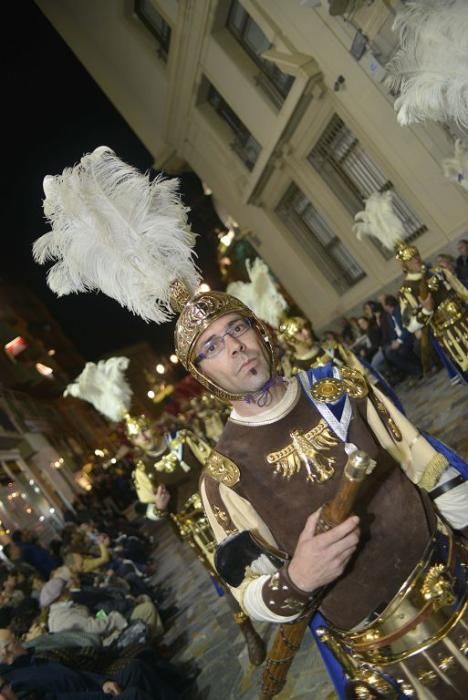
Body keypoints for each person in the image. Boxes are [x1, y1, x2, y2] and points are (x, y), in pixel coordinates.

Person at [34, 147, 468, 699]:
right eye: (213, 347)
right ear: (206, 374)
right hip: (389, 655)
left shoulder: (337, 384)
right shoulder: (224, 474)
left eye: (236, 328)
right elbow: (251, 593)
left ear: (258, 330)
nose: (233, 347)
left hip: (454, 576)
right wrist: (299, 579)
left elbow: (425, 463)